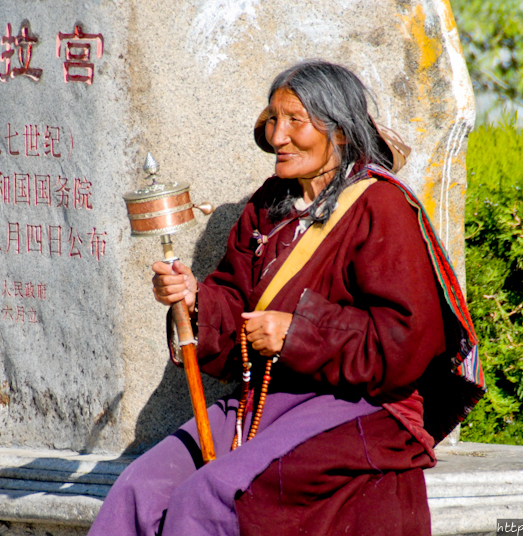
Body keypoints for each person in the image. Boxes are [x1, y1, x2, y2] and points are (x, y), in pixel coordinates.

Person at [89, 60, 483, 536]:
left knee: (212, 496)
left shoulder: (382, 207)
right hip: (266, 399)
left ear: (338, 132)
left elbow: (405, 341)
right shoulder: (268, 205)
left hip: (359, 405)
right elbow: (234, 299)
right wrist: (194, 302)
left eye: (295, 120)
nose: (277, 137)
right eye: (274, 120)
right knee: (138, 490)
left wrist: (297, 333)